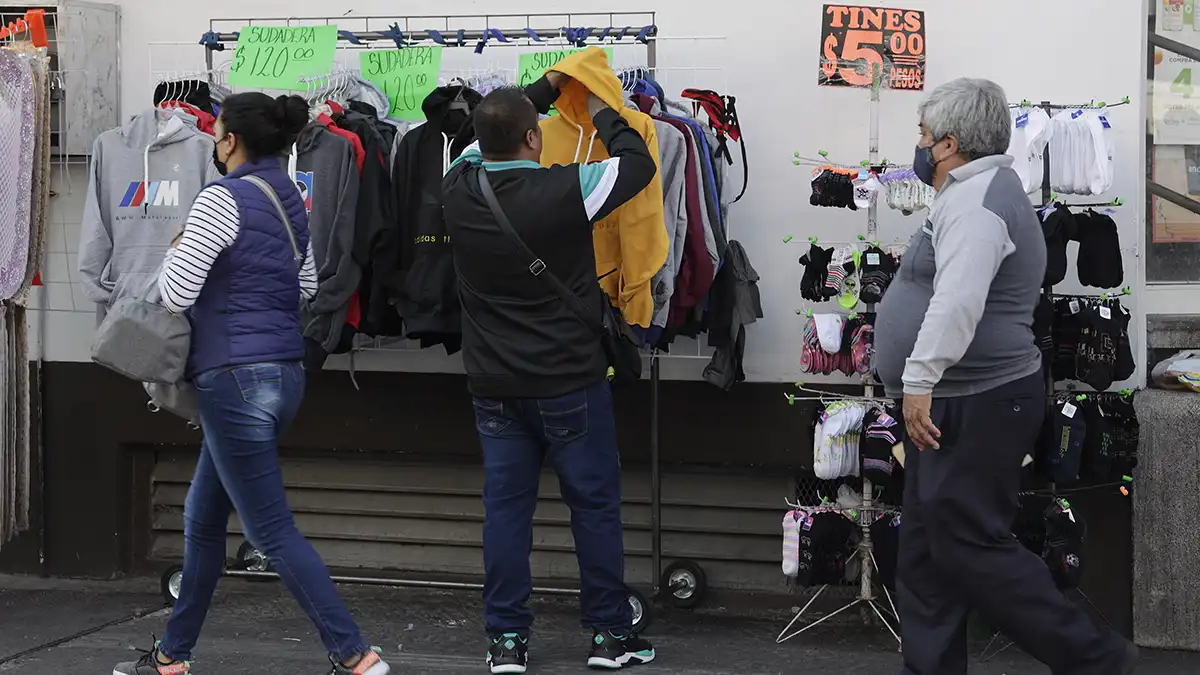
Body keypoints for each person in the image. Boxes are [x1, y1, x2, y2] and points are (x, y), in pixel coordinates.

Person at [113, 93, 389, 675]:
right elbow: (308, 283)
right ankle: (171, 656)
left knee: (271, 531)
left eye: (217, 139)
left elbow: (176, 294)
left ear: (231, 141)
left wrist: (177, 251)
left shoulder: (220, 198)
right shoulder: (287, 194)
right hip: (283, 375)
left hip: (233, 381)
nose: (214, 147)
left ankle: (354, 654)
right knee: (203, 519)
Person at [872, 78, 1137, 675]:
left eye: (921, 133)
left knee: (970, 544)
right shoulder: (975, 190)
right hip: (961, 398)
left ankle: (1095, 657)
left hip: (975, 399)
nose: (916, 144)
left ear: (948, 143)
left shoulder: (979, 199)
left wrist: (918, 380)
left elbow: (957, 299)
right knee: (925, 552)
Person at [441, 69, 658, 674]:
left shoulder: (458, 187)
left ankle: (506, 642)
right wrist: (596, 105)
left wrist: (535, 95)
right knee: (594, 508)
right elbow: (637, 164)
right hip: (571, 382)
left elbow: (472, 142)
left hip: (494, 387)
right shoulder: (569, 189)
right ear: (536, 140)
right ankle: (609, 637)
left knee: (506, 512)